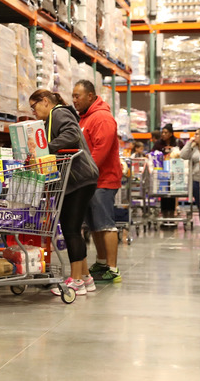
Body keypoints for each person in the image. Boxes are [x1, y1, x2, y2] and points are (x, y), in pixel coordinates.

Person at [29, 90, 99, 296]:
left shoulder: (58, 113)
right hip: (78, 180)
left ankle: (76, 281)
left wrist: (46, 148)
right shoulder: (52, 119)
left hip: (79, 179)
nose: (33, 111)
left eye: (34, 106)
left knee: (70, 229)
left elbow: (71, 135)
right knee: (73, 229)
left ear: (45, 102)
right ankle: (85, 277)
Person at [72, 80, 124, 283]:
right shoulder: (85, 119)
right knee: (94, 225)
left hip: (103, 180)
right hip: (90, 180)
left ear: (91, 96)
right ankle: (102, 262)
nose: (74, 100)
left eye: (78, 96)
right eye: (73, 96)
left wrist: (84, 173)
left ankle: (113, 268)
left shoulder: (102, 118)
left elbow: (100, 152)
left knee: (105, 224)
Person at [153, 124, 184, 218]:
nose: (163, 134)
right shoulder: (158, 143)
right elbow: (153, 153)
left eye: (165, 132)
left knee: (173, 192)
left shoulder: (178, 143)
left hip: (175, 171)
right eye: (162, 132)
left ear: (171, 134)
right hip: (162, 172)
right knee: (163, 193)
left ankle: (172, 212)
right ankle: (164, 214)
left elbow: (184, 154)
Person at [180, 128, 200, 209]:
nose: (194, 136)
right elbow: (183, 155)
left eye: (197, 134)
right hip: (196, 181)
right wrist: (189, 143)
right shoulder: (193, 148)